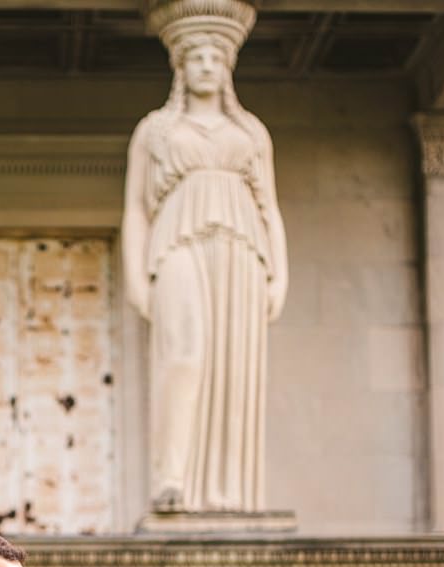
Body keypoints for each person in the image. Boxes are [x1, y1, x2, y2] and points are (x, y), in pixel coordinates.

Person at [121, 0, 288, 514]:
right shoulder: (156, 131)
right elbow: (136, 210)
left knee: (230, 366)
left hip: (241, 252)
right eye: (196, 56)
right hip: (177, 245)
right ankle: (172, 479)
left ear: (229, 65)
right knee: (184, 357)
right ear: (180, 65)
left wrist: (279, 275)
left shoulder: (251, 133)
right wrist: (136, 279)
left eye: (216, 56)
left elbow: (271, 209)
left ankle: (227, 494)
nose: (207, 65)